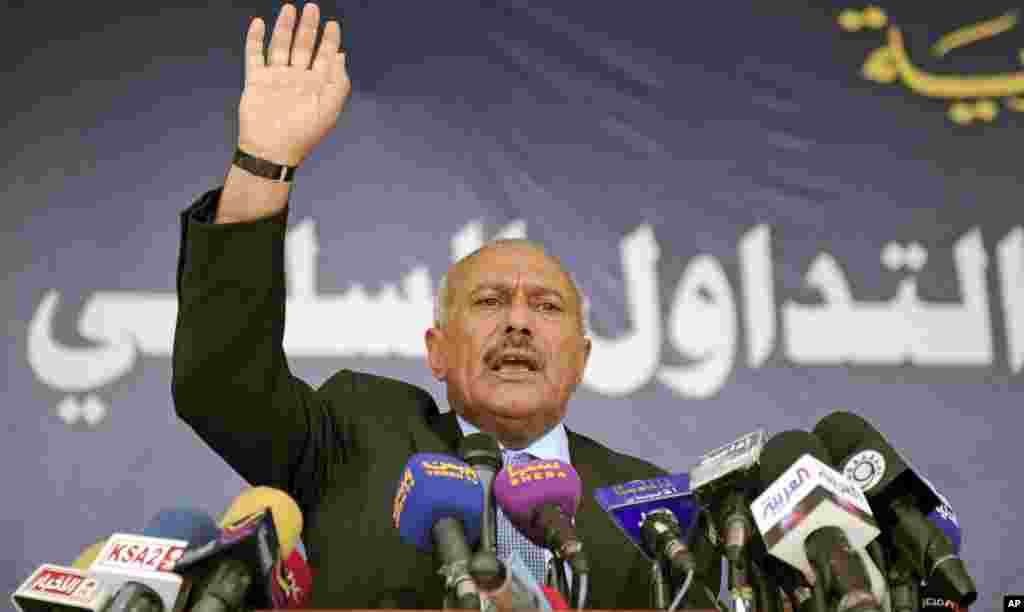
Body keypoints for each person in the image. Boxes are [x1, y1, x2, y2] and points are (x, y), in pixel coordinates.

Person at [171, 2, 722, 608]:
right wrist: (263, 162)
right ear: (436, 350)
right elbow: (221, 386)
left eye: (546, 307)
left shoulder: (647, 510)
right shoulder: (356, 436)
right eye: (489, 301)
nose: (517, 321)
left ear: (583, 357)